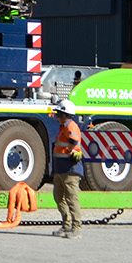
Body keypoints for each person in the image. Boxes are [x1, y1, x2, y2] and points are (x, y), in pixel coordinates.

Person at [52, 98, 84, 237]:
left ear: (65, 115)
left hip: (70, 170)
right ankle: (66, 225)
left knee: (72, 199)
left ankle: (76, 228)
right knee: (58, 197)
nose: (57, 116)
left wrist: (72, 149)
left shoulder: (71, 126)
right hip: (60, 169)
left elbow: (74, 139)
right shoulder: (63, 127)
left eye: (58, 113)